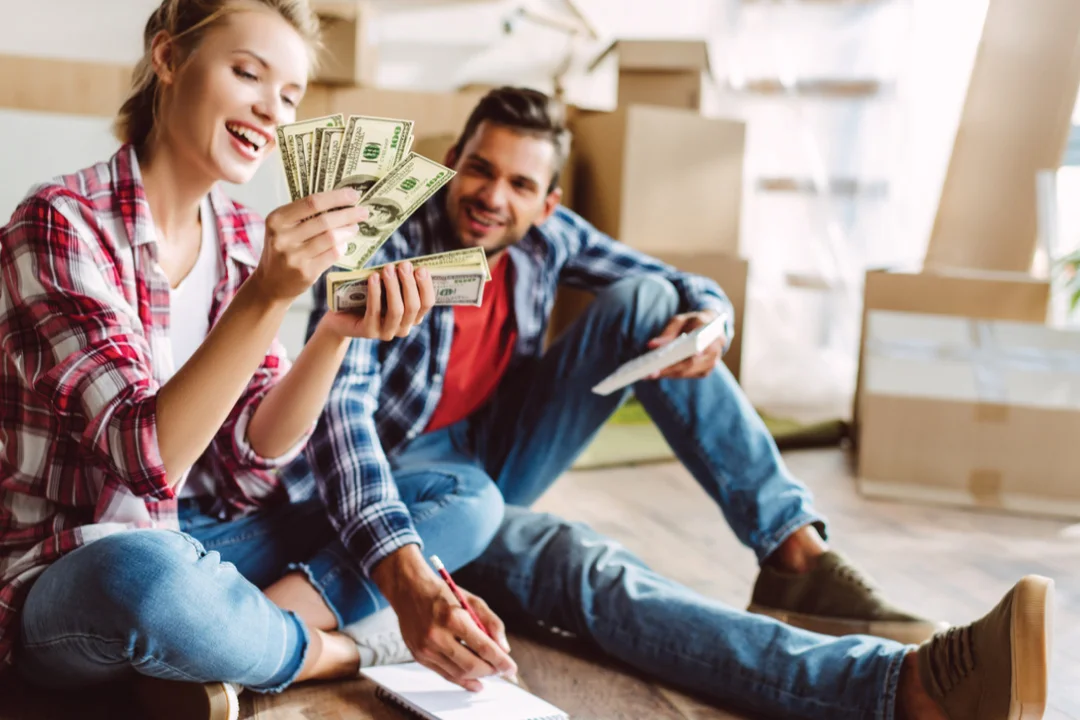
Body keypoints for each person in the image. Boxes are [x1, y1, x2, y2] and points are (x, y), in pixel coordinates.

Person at [287, 86, 1057, 719]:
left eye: (520, 184)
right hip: (420, 492)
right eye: (479, 171)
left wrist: (711, 323)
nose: (492, 197)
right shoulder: (386, 243)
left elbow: (683, 285)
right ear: (449, 162)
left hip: (497, 453)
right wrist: (406, 571)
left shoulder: (545, 240)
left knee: (649, 301)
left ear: (549, 203)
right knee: (588, 567)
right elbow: (341, 422)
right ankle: (900, 687)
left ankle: (796, 553)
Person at [0, 2, 463, 719]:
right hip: (75, 567)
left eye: (289, 96)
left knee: (458, 499)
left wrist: (332, 333)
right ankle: (327, 650)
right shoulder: (57, 224)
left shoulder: (243, 235)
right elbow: (145, 459)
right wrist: (266, 296)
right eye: (248, 73)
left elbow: (254, 458)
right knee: (147, 578)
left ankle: (208, 646)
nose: (272, 112)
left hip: (201, 534)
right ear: (168, 58)